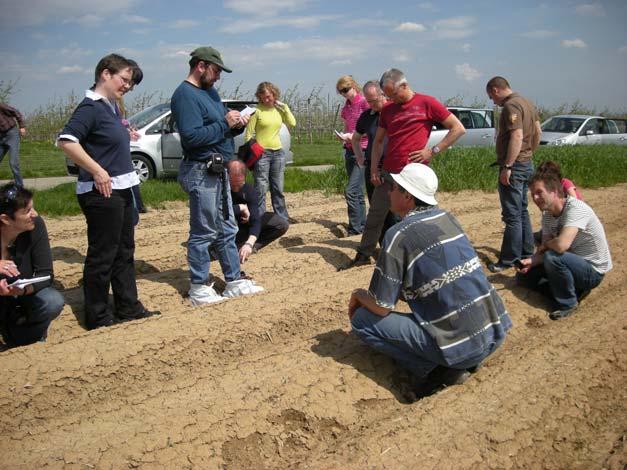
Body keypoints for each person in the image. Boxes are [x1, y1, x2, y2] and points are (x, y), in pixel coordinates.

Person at [348, 163, 511, 397]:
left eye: (394, 187)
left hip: (461, 347)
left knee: (363, 319)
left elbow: (382, 307)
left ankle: (438, 370)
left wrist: (358, 295)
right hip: (493, 334)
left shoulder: (397, 235)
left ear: (407, 196)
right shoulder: (448, 218)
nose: (388, 192)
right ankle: (460, 358)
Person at [58, 53, 159, 330]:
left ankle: (128, 307)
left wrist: (125, 132)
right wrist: (97, 170)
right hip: (102, 192)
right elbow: (66, 141)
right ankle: (99, 316)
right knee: (103, 254)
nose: (127, 86)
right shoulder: (90, 107)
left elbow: (103, 139)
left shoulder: (111, 106)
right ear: (105, 74)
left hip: (123, 187)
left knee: (124, 250)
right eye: (124, 79)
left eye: (130, 82)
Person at [343, 68, 465, 268]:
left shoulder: (427, 103)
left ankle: (433, 254)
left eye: (392, 94)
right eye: (387, 95)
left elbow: (458, 128)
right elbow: (379, 142)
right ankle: (363, 255)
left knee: (420, 216)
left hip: (415, 175)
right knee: (375, 215)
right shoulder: (389, 110)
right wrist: (374, 168)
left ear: (404, 86)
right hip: (390, 173)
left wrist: (432, 150)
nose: (390, 99)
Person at [170, 46, 263, 306]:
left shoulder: (209, 92)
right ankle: (199, 287)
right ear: (200, 66)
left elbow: (216, 130)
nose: (219, 76)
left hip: (218, 168)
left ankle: (233, 280)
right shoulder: (185, 95)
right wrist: (224, 123)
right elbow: (191, 137)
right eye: (216, 70)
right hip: (200, 170)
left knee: (228, 227)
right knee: (204, 230)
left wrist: (234, 126)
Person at [516, 171, 612, 320]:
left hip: (592, 271)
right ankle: (569, 290)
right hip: (570, 261)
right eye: (533, 194)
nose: (535, 198)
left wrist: (546, 244)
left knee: (553, 257)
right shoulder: (547, 215)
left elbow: (561, 246)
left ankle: (568, 303)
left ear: (554, 191)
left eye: (539, 192)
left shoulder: (576, 208)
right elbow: (544, 250)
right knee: (524, 277)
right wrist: (531, 261)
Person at [485, 76, 542, 273]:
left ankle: (508, 259)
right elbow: (538, 131)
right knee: (522, 210)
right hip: (526, 163)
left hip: (515, 166)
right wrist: (529, 154)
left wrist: (508, 165)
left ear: (496, 90)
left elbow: (517, 135)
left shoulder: (511, 106)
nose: (494, 102)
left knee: (512, 216)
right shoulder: (528, 103)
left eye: (492, 97)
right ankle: (527, 252)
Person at [0, 184, 64, 347]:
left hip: (23, 293)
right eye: (27, 211)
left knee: (52, 301)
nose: (34, 214)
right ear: (6, 219)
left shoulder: (36, 226)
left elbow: (46, 273)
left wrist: (24, 289)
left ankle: (24, 335)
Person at [244, 82, 296, 221]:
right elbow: (248, 135)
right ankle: (259, 218)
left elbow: (292, 123)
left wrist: (285, 108)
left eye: (269, 96)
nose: (266, 100)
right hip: (262, 155)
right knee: (260, 188)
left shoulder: (279, 110)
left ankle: (282, 218)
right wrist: (254, 149)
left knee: (278, 188)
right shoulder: (257, 112)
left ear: (274, 95)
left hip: (278, 153)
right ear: (259, 97)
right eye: (263, 97)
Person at [227, 160, 288, 263]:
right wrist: (240, 207)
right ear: (226, 177)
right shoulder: (218, 190)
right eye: (233, 186)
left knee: (281, 223)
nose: (236, 189)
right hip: (225, 230)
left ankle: (248, 248)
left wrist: (249, 243)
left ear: (244, 178)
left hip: (242, 229)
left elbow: (255, 219)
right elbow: (217, 214)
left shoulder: (249, 190)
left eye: (239, 184)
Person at [335, 75, 369, 235]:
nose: (344, 94)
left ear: (354, 86)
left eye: (345, 90)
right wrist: (344, 136)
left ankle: (355, 230)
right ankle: (362, 226)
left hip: (362, 150)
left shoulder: (364, 103)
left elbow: (371, 129)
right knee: (358, 193)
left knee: (351, 190)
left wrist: (354, 136)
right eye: (341, 92)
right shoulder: (346, 107)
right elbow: (348, 125)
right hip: (349, 149)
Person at [118, 59, 148, 214]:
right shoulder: (108, 99)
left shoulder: (117, 100)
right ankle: (137, 208)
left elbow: (118, 122)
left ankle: (138, 208)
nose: (130, 87)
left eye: (133, 83)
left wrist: (126, 129)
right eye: (130, 82)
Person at [0, 102, 26, 188]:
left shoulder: (1, 105)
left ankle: (20, 187)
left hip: (12, 134)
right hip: (1, 137)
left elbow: (16, 112)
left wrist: (22, 126)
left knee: (13, 163)